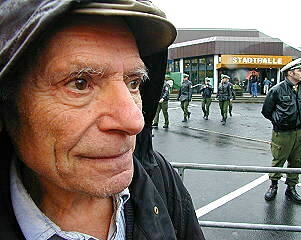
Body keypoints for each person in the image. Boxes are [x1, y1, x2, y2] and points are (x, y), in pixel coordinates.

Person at [0, 1, 205, 239]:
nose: (134, 121)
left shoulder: (158, 176)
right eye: (80, 83)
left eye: (133, 83)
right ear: (7, 103)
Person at [261, 58, 301, 204]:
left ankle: (291, 188)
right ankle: (273, 186)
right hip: (282, 133)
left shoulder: (300, 88)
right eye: (299, 70)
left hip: (299, 132)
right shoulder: (277, 89)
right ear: (290, 73)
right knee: (278, 160)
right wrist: (279, 122)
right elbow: (266, 111)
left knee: (296, 161)